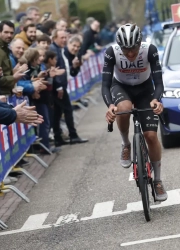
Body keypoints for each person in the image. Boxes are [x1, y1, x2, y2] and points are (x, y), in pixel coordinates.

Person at [101, 23, 167, 201]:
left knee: (151, 136)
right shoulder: (111, 52)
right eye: (126, 49)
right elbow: (106, 85)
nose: (130, 54)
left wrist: (156, 99)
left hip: (145, 89)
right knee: (123, 108)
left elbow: (159, 82)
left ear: (140, 43)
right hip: (121, 87)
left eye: (134, 49)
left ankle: (158, 180)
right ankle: (126, 144)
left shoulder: (150, 50)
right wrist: (110, 106)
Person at [49, 29, 88, 146]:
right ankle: (73, 135)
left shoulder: (60, 50)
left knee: (57, 112)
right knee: (67, 109)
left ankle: (58, 137)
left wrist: (75, 66)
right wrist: (58, 87)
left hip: (60, 85)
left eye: (65, 38)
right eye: (62, 38)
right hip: (57, 86)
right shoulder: (53, 50)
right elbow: (54, 70)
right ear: (55, 37)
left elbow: (68, 71)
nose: (64, 40)